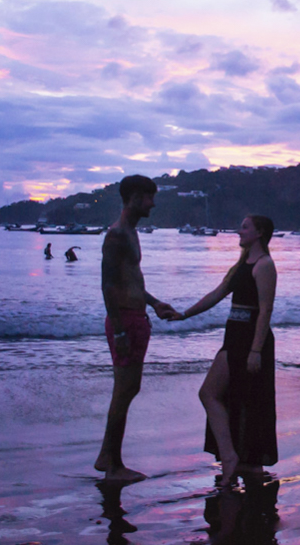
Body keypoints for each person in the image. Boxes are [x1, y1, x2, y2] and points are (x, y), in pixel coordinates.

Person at [174, 215, 278, 488]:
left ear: (260, 232)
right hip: (233, 336)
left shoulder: (265, 265)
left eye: (244, 227)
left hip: (251, 339)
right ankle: (233, 456)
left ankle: (236, 458)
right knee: (222, 396)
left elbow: (265, 310)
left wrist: (256, 350)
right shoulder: (241, 265)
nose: (238, 231)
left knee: (229, 397)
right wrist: (183, 315)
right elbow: (216, 294)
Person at [94, 174, 177, 481]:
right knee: (123, 391)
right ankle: (113, 466)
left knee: (129, 389)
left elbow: (131, 281)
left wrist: (154, 303)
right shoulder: (117, 235)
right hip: (125, 320)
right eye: (148, 197)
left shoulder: (131, 232)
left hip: (134, 317)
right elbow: (108, 285)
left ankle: (106, 456)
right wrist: (118, 331)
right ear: (132, 198)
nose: (152, 203)